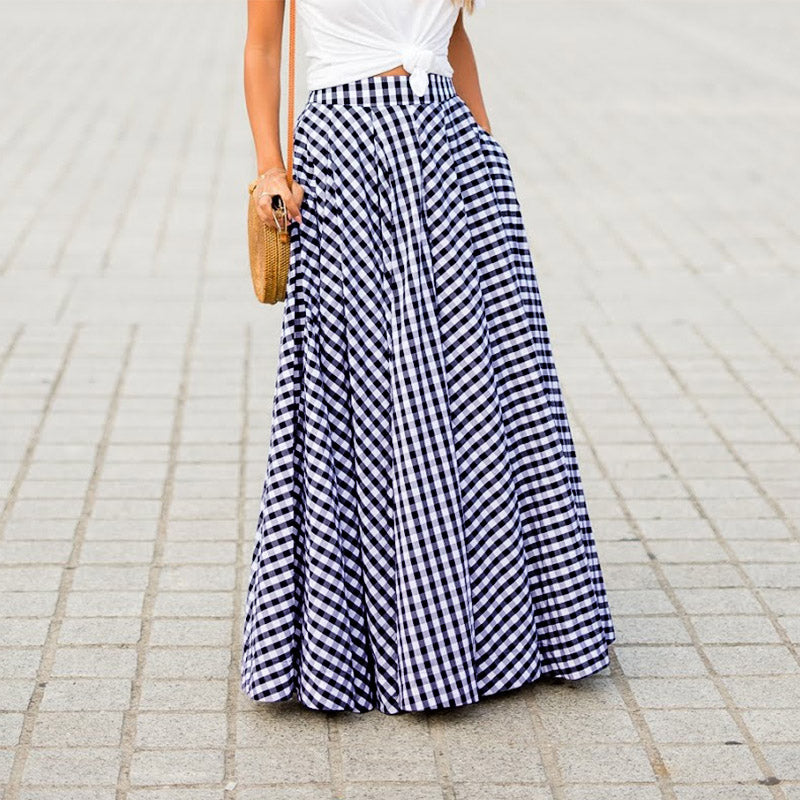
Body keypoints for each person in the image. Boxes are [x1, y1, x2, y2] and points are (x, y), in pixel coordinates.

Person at [241, 0, 616, 716]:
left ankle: (498, 630)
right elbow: (262, 50)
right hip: (348, 156)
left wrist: (489, 147)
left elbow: (455, 36)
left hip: (452, 158)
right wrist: (269, 167)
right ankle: (380, 637)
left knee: (484, 393)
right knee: (374, 395)